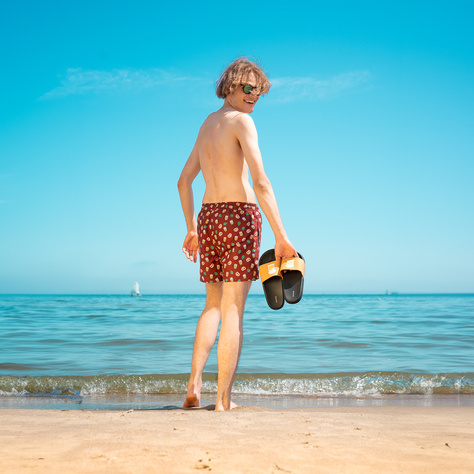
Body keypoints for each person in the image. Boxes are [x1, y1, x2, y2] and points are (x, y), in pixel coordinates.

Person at [177, 57, 297, 411]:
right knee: (233, 309)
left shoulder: (207, 124)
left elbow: (184, 180)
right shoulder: (242, 123)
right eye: (248, 88)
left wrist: (191, 228)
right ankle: (223, 400)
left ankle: (194, 384)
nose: (253, 96)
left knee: (212, 305)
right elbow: (260, 181)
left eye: (258, 92)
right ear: (229, 85)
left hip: (210, 217)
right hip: (240, 217)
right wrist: (282, 236)